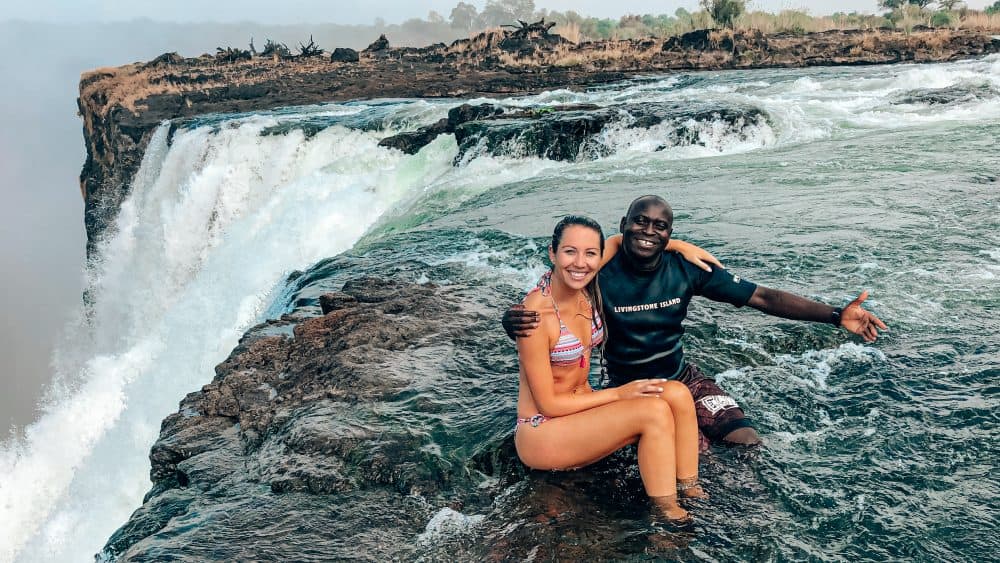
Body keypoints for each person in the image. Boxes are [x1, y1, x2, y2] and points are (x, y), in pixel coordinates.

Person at [505, 195, 888, 449]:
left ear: (670, 234)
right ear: (623, 224)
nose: (649, 231)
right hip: (630, 386)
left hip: (684, 377)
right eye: (640, 222)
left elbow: (762, 297)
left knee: (746, 440)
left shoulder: (686, 268)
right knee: (696, 457)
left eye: (661, 227)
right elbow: (555, 292)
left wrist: (836, 316)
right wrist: (514, 319)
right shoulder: (597, 273)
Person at [514, 215, 706, 525]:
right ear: (552, 253)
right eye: (569, 252)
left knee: (676, 393)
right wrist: (619, 394)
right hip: (544, 430)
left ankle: (691, 489)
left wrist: (678, 246)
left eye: (590, 253)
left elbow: (620, 241)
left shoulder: (586, 287)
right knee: (652, 412)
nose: (580, 262)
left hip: (580, 410)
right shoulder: (535, 316)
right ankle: (669, 515)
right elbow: (548, 403)